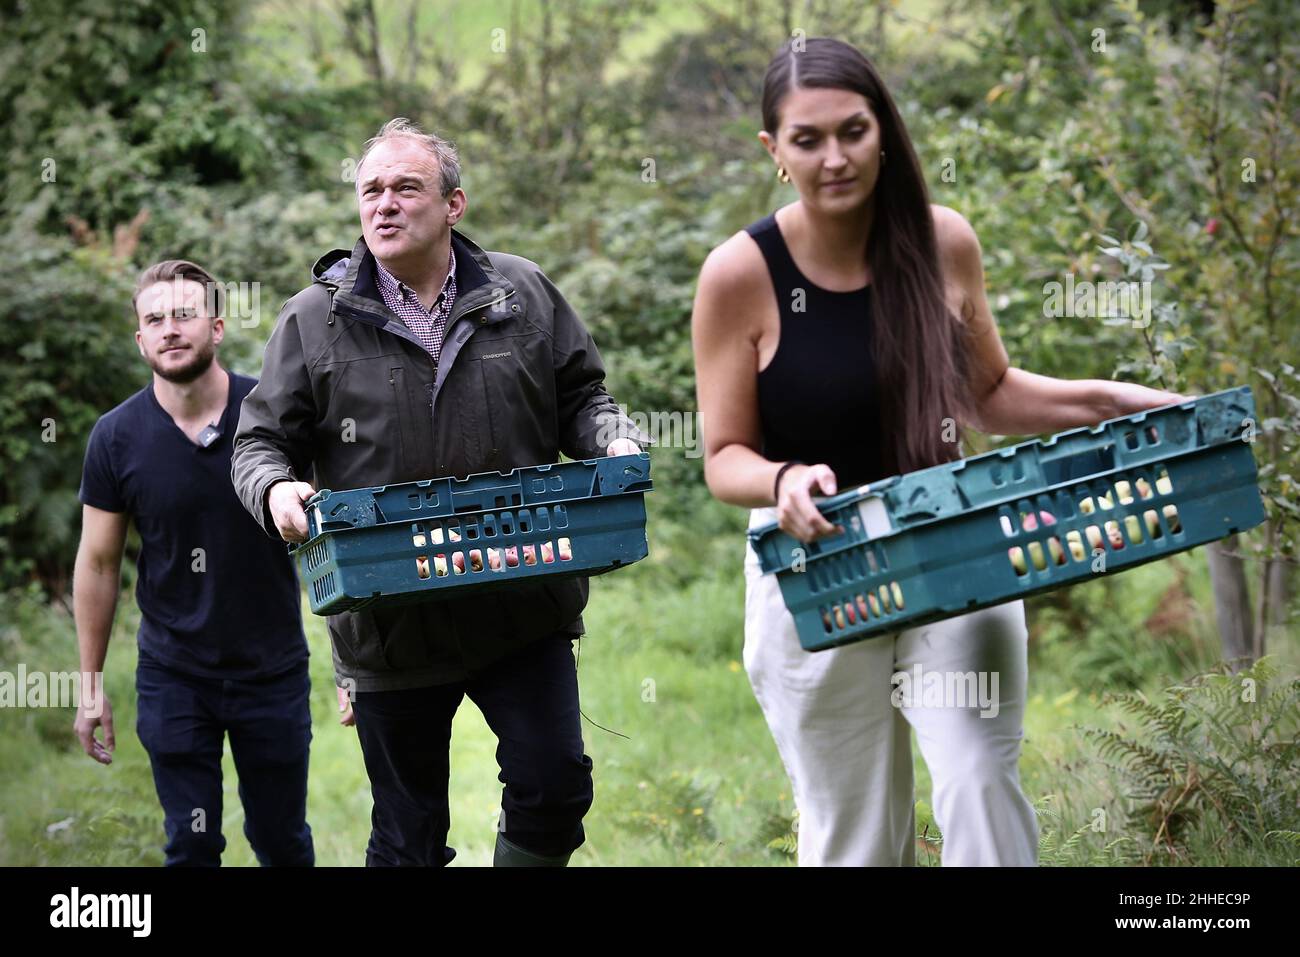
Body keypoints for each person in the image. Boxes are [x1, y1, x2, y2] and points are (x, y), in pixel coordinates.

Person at [690, 37, 1188, 866]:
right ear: (773, 151)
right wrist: (781, 479)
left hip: (955, 547)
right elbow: (722, 456)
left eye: (853, 130)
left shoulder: (942, 241)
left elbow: (986, 393)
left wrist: (1113, 400)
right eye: (807, 139)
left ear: (883, 128)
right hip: (821, 569)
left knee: (979, 778)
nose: (835, 156)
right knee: (856, 833)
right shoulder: (740, 275)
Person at [231, 118, 649, 867]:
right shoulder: (314, 319)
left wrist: (610, 437)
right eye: (371, 191)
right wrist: (276, 491)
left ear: (453, 204)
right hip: (390, 621)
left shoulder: (519, 292)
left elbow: (583, 394)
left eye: (405, 188)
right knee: (408, 835)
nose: (384, 204)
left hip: (522, 593)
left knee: (555, 788)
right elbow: (260, 442)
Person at [73, 259, 315, 866]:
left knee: (281, 841)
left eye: (184, 315)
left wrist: (352, 666)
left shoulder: (270, 414)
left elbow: (326, 539)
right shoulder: (116, 437)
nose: (169, 329)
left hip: (272, 668)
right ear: (139, 339)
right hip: (174, 672)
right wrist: (90, 683)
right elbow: (98, 564)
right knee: (192, 843)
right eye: (154, 319)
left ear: (216, 325)